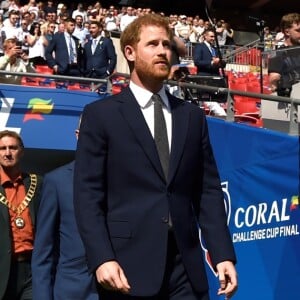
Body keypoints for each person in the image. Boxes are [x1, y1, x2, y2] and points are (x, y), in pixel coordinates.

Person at [74, 13, 238, 300]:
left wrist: (222, 253)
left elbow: (207, 191)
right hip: (126, 268)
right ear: (130, 52)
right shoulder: (101, 115)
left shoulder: (191, 117)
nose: (163, 51)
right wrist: (101, 257)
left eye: (167, 44)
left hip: (186, 269)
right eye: (152, 44)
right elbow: (88, 194)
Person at [31, 119, 98, 300]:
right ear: (77, 135)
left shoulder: (123, 180)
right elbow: (43, 252)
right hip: (73, 291)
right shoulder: (56, 181)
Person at [0, 130, 43, 300]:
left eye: (13, 148)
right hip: (4, 269)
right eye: (2, 148)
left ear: (22, 151)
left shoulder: (38, 183)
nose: (8, 153)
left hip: (34, 268)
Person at [193, 29, 227, 116]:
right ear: (205, 36)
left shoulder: (215, 49)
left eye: (214, 37)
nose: (213, 38)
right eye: (211, 36)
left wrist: (220, 62)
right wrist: (211, 62)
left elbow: (222, 63)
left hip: (215, 80)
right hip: (204, 79)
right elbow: (197, 62)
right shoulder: (200, 46)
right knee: (213, 105)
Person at [268, 13, 300, 96]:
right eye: (298, 30)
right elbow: (273, 81)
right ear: (287, 32)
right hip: (290, 101)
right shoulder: (278, 54)